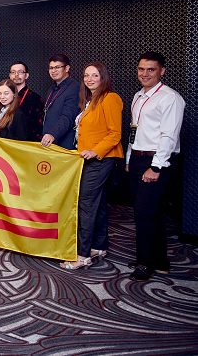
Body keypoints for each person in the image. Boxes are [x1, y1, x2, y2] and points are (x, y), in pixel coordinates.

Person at [126, 52, 184, 281]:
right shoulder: (138, 96)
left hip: (157, 161)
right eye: (141, 69)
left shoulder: (170, 98)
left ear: (162, 71)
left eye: (151, 69)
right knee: (153, 212)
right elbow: (134, 130)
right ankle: (160, 261)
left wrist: (156, 167)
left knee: (143, 211)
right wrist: (129, 159)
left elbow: (169, 136)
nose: (145, 73)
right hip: (137, 159)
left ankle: (145, 262)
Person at [61, 62, 123, 270]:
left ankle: (82, 255)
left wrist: (95, 151)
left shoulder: (110, 98)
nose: (89, 79)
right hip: (88, 159)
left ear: (103, 77)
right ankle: (99, 246)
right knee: (99, 203)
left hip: (100, 159)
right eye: (86, 75)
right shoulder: (90, 101)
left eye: (95, 75)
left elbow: (114, 134)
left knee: (85, 204)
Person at [41, 53, 80, 149]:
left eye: (57, 67)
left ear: (67, 68)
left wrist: (52, 134)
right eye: (51, 68)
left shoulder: (74, 87)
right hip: (50, 142)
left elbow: (68, 117)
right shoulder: (52, 88)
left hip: (64, 144)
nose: (53, 70)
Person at [9, 61, 44, 141]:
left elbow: (38, 127)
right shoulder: (5, 97)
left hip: (26, 142)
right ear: (10, 75)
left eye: (20, 72)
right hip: (6, 140)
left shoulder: (35, 98)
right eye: (13, 72)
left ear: (26, 75)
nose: (16, 75)